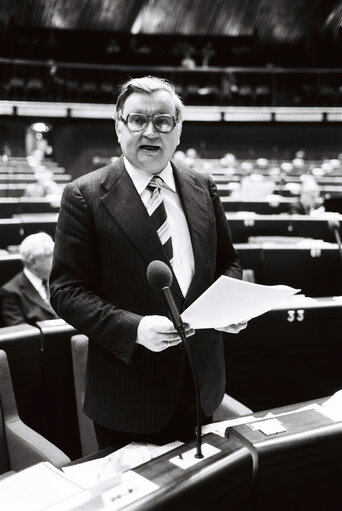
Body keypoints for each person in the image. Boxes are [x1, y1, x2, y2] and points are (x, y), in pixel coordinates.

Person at [49, 75, 247, 451]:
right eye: (137, 120)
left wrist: (228, 305)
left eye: (163, 121)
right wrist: (134, 329)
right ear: (119, 128)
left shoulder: (203, 186)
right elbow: (65, 291)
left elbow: (229, 262)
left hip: (202, 385)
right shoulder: (84, 195)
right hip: (129, 398)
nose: (150, 131)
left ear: (178, 130)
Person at [0, 232, 58, 326]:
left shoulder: (59, 279)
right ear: (33, 262)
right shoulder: (11, 292)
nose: (56, 260)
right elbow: (21, 334)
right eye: (49, 256)